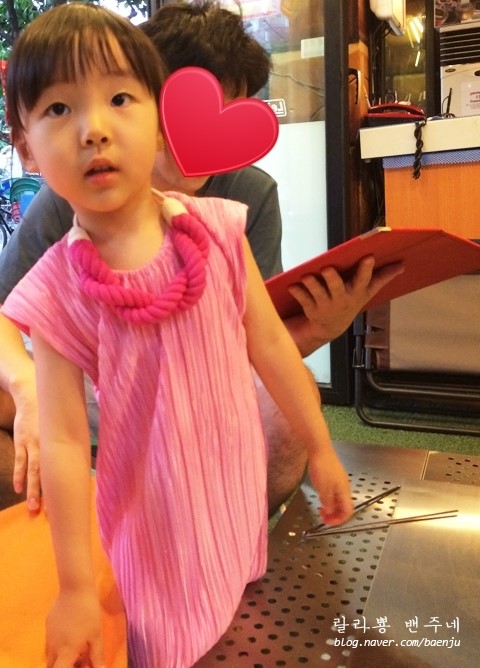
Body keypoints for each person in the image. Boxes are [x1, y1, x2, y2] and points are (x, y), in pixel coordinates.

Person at [2, 3, 353, 665]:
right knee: (166, 642)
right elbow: (66, 440)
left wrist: (321, 446)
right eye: (58, 109)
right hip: (149, 517)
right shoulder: (56, 290)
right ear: (25, 147)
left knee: (234, 618)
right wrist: (75, 588)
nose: (94, 129)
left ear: (159, 122)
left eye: (120, 99)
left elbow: (270, 346)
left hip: (231, 488)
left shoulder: (219, 228)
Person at [0, 0, 402, 515]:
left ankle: (234, 525)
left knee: (288, 394)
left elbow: (254, 341)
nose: (204, 136)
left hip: (193, 392)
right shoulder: (75, 193)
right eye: (188, 111)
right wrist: (25, 385)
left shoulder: (239, 205)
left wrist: (321, 328)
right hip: (83, 390)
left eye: (227, 117)